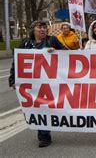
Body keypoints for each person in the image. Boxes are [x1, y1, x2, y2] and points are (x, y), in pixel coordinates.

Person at [9, 20, 64, 148]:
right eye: (39, 27)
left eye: (44, 27)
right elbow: (16, 62)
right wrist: (12, 79)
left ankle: (49, 131)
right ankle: (44, 135)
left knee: (49, 107)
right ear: (33, 30)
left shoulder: (52, 41)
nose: (43, 29)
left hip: (51, 82)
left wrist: (56, 51)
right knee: (37, 107)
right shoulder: (25, 43)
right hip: (32, 83)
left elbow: (67, 55)